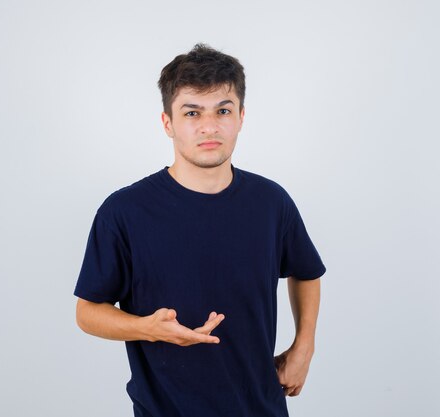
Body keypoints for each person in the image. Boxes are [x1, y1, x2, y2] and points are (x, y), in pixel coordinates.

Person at [74, 43, 327, 417]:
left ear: (240, 116)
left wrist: (303, 347)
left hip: (261, 407)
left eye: (222, 110)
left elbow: (306, 273)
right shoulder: (124, 212)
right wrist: (149, 328)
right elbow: (88, 312)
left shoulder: (272, 202)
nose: (209, 126)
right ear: (168, 123)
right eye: (192, 112)